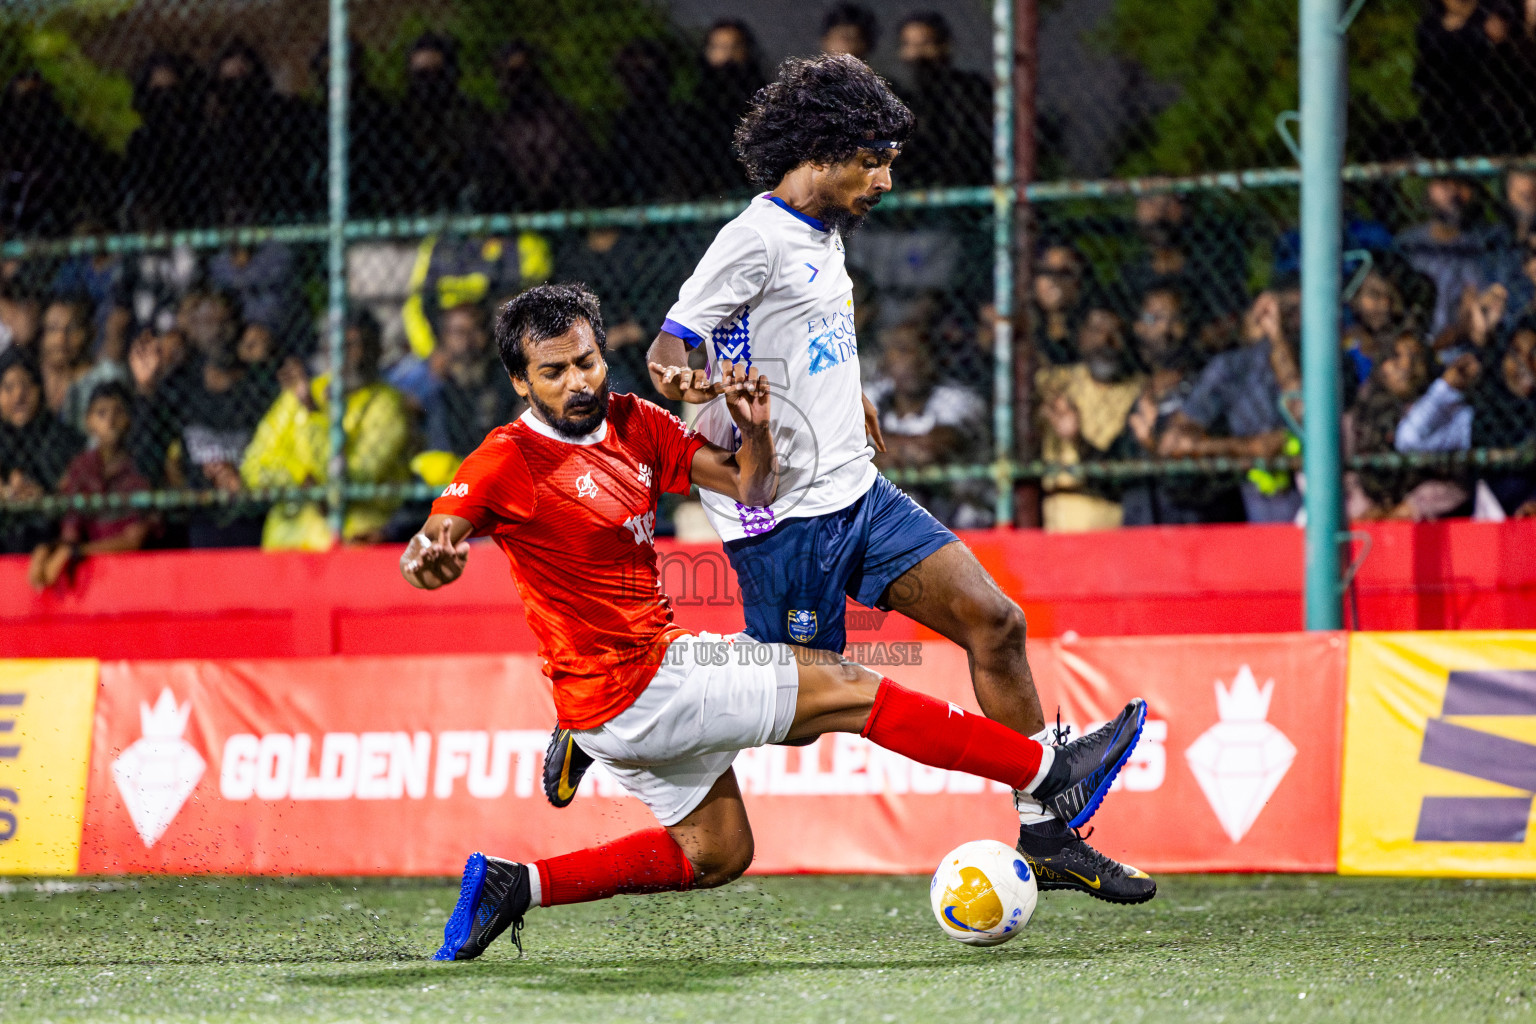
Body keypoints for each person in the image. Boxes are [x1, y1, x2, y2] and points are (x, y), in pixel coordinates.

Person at [399, 283, 1149, 960]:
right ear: (520, 382)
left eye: (586, 361)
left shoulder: (633, 423)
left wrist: (755, 426)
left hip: (634, 684)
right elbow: (442, 528)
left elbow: (751, 487)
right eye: (554, 373)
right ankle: (1052, 773)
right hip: (638, 686)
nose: (578, 382)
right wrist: (429, 555)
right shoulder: (508, 458)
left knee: (717, 853)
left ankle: (514, 885)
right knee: (839, 683)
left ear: (602, 353)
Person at [628, 54, 1155, 903]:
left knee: (995, 621)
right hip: (784, 520)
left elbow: (809, 337)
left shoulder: (825, 235)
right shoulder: (752, 238)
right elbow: (670, 345)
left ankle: (1046, 828)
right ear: (820, 149)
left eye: (888, 162)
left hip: (860, 493)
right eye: (870, 159)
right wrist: (689, 383)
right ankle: (632, 712)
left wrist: (856, 394)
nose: (881, 179)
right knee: (801, 715)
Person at [241, 309, 411, 549]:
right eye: (344, 345)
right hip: (286, 547)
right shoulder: (301, 393)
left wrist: (312, 415)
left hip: (352, 544)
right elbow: (254, 465)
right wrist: (299, 482)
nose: (354, 354)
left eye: (362, 344)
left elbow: (353, 476)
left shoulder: (386, 405)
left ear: (378, 350)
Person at [1159, 288, 1305, 524]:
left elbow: (1304, 417)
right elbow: (1173, 443)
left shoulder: (1332, 361)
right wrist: (1246, 447)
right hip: (1257, 510)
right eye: (1265, 312)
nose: (1274, 319)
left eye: (1294, 311)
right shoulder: (1233, 367)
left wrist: (1278, 339)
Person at [863, 322, 991, 528]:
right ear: (886, 360)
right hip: (894, 525)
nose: (914, 360)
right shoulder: (872, 396)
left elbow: (931, 450)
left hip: (955, 524)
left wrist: (879, 452)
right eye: (903, 351)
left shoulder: (959, 399)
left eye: (922, 351)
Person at [29, 382, 152, 590]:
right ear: (89, 422)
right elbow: (70, 533)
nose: (110, 421)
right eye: (101, 413)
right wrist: (48, 551)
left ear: (129, 421)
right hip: (95, 570)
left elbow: (133, 540)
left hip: (135, 574)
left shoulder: (139, 468)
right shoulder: (82, 467)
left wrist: (78, 552)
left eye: (118, 412)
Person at [1036, 308, 1144, 532]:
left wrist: (1075, 437)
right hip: (1059, 527)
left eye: (1116, 332)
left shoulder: (1141, 391)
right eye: (1097, 330)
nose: (1106, 340)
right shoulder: (1056, 382)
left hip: (1120, 527)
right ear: (1081, 336)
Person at [475, 41, 597, 212]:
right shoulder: (502, 125)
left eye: (516, 74)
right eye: (502, 74)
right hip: (518, 206)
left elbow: (582, 168)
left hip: (565, 203)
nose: (509, 83)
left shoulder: (562, 115)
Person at [387, 301, 519, 455]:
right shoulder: (427, 375)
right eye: (459, 332)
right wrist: (433, 381)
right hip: (439, 465)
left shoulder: (504, 376)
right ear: (444, 337)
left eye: (475, 330)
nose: (468, 341)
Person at [894, 12, 991, 187]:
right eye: (910, 45)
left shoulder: (968, 90)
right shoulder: (900, 97)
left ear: (944, 46)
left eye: (925, 44)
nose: (918, 54)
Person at [0, 349, 83, 554]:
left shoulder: (63, 438)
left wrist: (44, 497)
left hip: (49, 540)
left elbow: (74, 493)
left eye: (27, 384)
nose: (19, 395)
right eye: (8, 387)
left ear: (40, 389)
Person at [1396, 175, 1497, 335]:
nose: (1453, 191)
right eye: (1443, 183)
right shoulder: (1406, 244)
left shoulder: (1486, 245)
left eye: (1460, 183)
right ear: (1428, 187)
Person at [692, 20, 766, 198]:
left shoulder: (764, 104)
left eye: (733, 47)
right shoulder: (695, 110)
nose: (726, 56)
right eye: (718, 47)